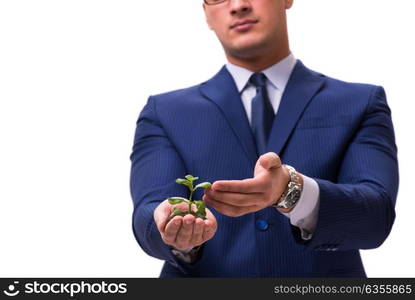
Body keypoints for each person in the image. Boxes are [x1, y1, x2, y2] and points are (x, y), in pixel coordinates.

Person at [129, 0, 399, 277]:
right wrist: (171, 227)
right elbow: (147, 213)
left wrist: (292, 192)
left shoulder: (361, 102)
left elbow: (375, 217)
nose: (238, 5)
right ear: (206, 15)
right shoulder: (164, 112)